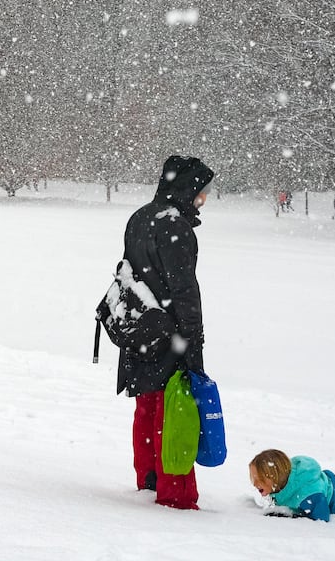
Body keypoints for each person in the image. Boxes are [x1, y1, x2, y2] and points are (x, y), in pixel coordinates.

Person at [115, 154, 213, 510]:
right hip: (168, 332)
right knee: (174, 413)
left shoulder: (141, 216)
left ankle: (148, 481)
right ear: (187, 189)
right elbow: (184, 289)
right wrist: (193, 339)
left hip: (140, 328)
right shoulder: (174, 226)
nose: (204, 198)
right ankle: (176, 495)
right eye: (201, 191)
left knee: (148, 407)